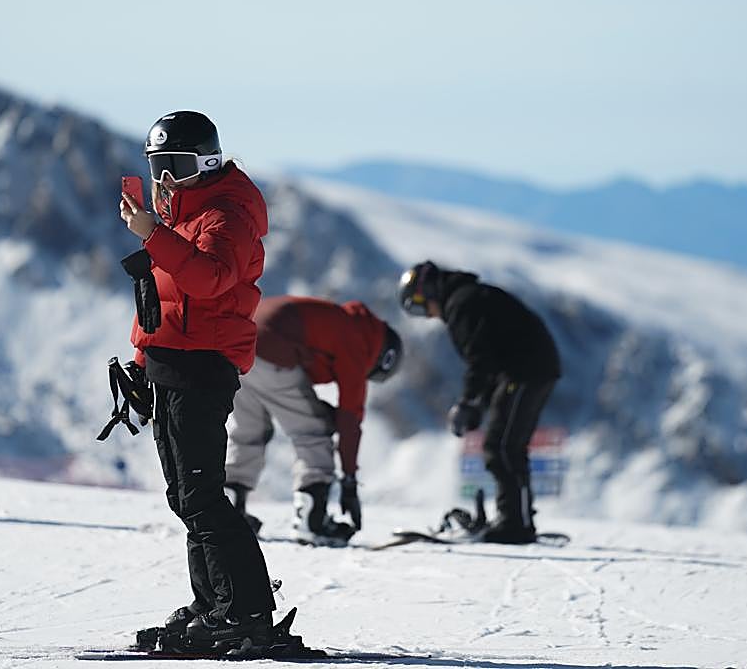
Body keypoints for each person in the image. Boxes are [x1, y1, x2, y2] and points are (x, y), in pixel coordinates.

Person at [118, 111, 276, 652]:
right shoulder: (181, 217)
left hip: (203, 365)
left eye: (178, 166)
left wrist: (154, 234)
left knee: (202, 496)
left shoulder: (226, 215)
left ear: (207, 162)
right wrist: (140, 363)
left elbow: (210, 280)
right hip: (171, 362)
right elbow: (160, 299)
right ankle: (215, 603)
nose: (166, 178)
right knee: (186, 496)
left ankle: (246, 609)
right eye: (159, 165)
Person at [398, 260, 560, 544]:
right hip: (527, 370)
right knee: (506, 445)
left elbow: (480, 360)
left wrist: (469, 401)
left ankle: (516, 524)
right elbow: (489, 358)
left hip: (524, 371)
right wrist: (477, 404)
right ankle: (515, 518)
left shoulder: (462, 304)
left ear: (431, 292)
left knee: (502, 446)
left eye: (420, 306)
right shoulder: (469, 297)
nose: (428, 316)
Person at [223, 296, 403, 546]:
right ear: (382, 358)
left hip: (236, 347)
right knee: (314, 432)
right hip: (273, 351)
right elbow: (351, 418)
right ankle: (312, 520)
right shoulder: (359, 340)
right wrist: (349, 480)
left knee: (250, 429)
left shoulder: (340, 321)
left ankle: (229, 508)